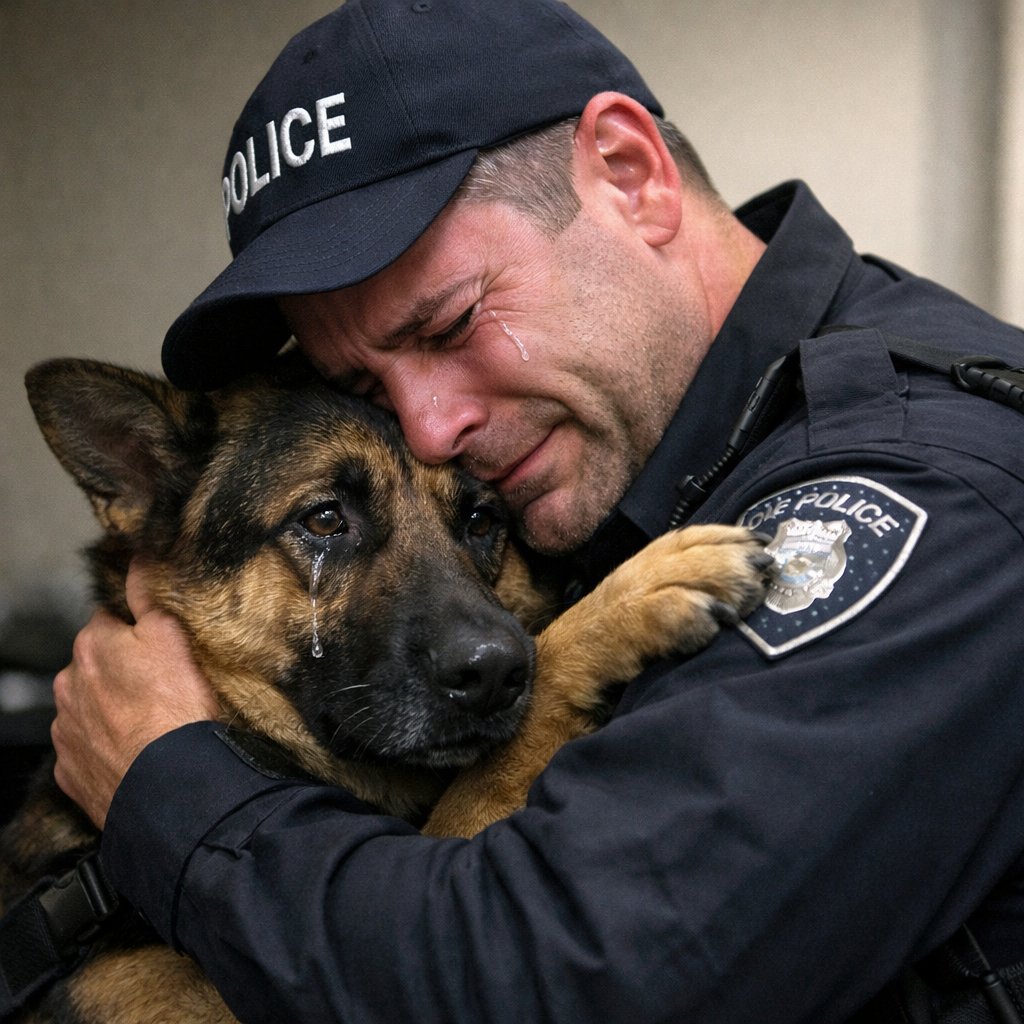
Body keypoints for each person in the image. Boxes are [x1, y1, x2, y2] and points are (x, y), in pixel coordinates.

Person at [50, 1, 1024, 1021]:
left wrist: (171, 793)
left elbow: (567, 975)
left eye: (452, 321)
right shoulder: (649, 473)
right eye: (370, 388)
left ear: (629, 173)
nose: (426, 431)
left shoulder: (926, 492)